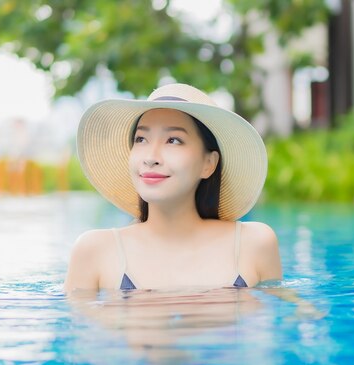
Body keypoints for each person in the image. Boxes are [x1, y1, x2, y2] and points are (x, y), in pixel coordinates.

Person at [64, 83, 281, 291]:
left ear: (209, 164)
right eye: (141, 139)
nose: (150, 157)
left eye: (173, 140)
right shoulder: (95, 251)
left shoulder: (254, 243)